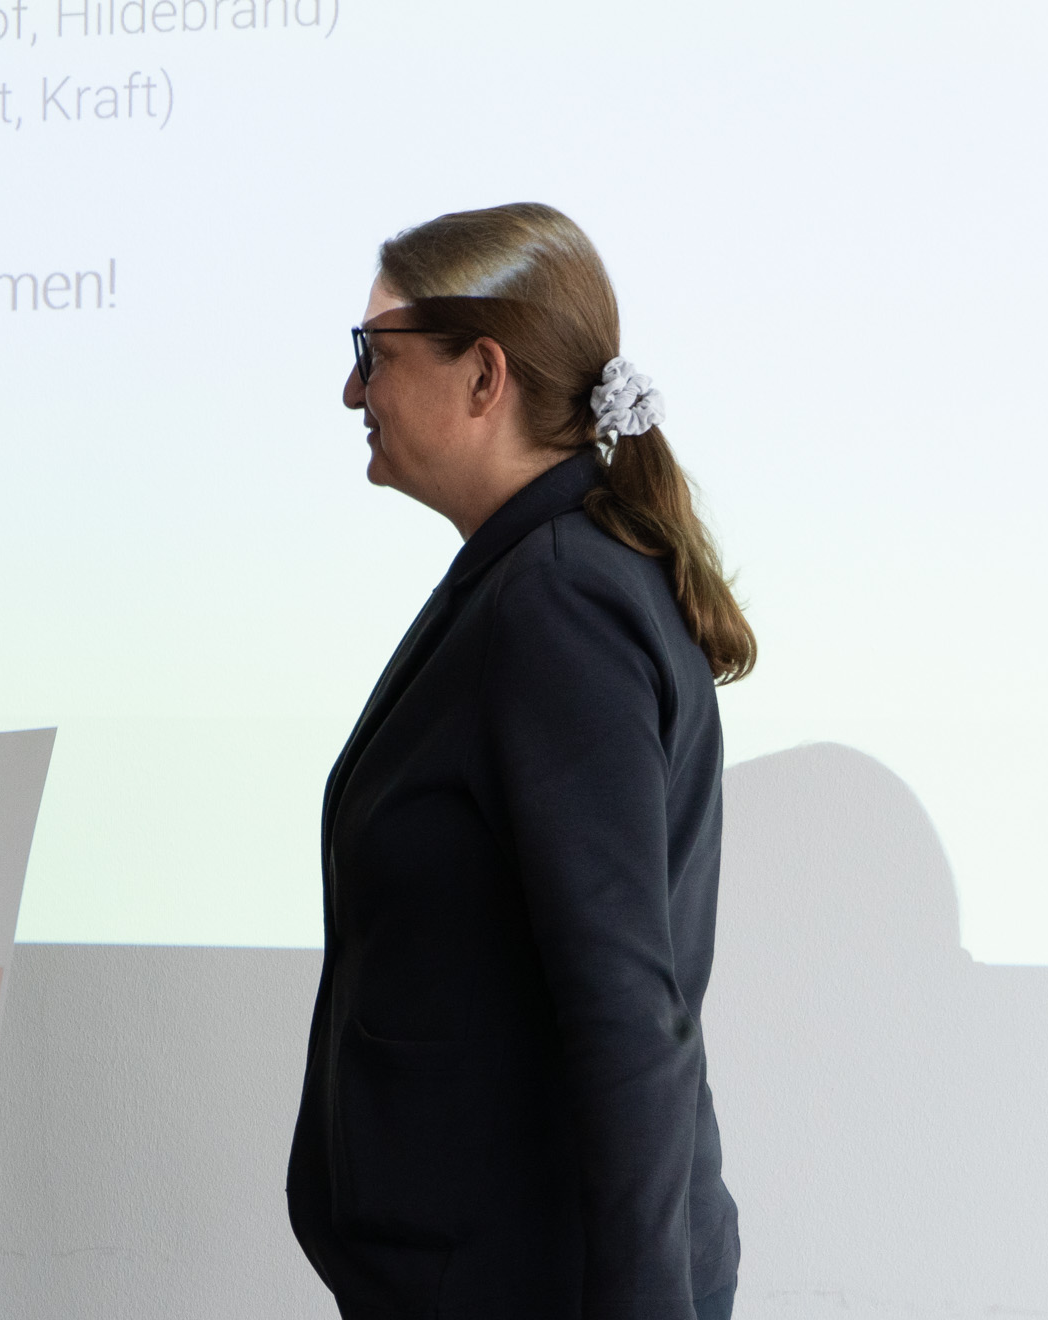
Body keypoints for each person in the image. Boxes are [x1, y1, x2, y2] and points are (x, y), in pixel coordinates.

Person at [286, 203, 753, 1320]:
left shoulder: (554, 602)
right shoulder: (533, 576)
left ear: (481, 374)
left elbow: (620, 1006)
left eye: (373, 355)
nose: (352, 393)